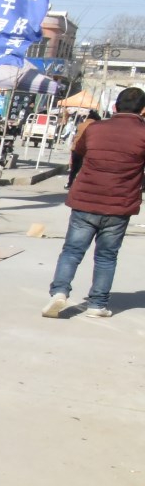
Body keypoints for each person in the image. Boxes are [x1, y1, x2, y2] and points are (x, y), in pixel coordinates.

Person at [44, 87, 145, 319]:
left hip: (85, 200)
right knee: (106, 256)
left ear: (115, 107)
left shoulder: (95, 128)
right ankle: (97, 304)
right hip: (119, 205)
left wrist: (78, 177)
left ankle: (59, 292)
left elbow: (78, 154)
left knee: (71, 251)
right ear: (143, 109)